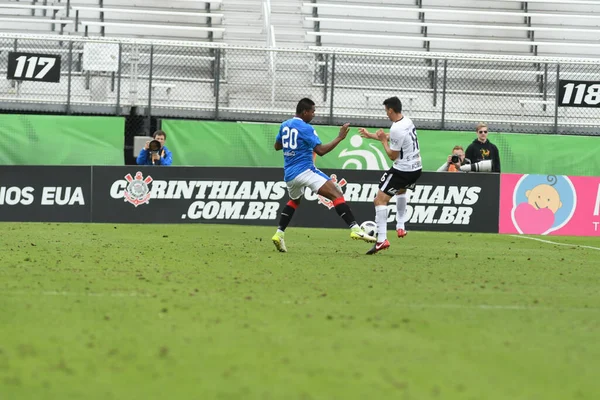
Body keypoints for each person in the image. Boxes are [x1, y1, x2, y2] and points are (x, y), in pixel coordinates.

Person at [271, 98, 376, 252]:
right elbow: (321, 151)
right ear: (305, 111)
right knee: (336, 193)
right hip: (305, 170)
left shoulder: (285, 125)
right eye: (312, 111)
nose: (314, 114)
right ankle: (355, 229)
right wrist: (340, 137)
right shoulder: (306, 128)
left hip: (290, 175)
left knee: (294, 200)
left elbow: (277, 146)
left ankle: (279, 234)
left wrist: (293, 146)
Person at [358, 96, 422, 255]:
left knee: (380, 200)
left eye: (386, 110)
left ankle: (381, 240)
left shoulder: (396, 128)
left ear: (391, 110)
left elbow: (392, 155)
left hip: (403, 169)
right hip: (416, 168)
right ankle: (401, 226)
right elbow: (393, 137)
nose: (386, 113)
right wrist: (371, 135)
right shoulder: (406, 121)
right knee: (401, 191)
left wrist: (382, 142)